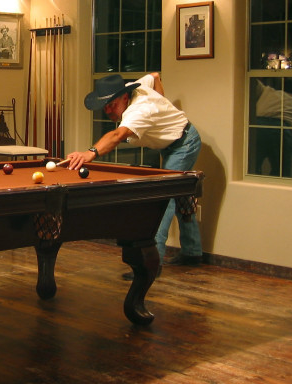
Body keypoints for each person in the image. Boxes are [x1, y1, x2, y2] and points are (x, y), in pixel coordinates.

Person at [65, 73, 203, 277]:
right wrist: (162, 103)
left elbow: (117, 135)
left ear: (124, 97)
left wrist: (89, 153)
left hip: (184, 143)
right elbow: (155, 76)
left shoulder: (139, 110)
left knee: (163, 200)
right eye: (105, 105)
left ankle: (151, 265)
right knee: (180, 193)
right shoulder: (133, 87)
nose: (108, 110)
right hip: (170, 145)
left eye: (111, 104)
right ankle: (192, 253)